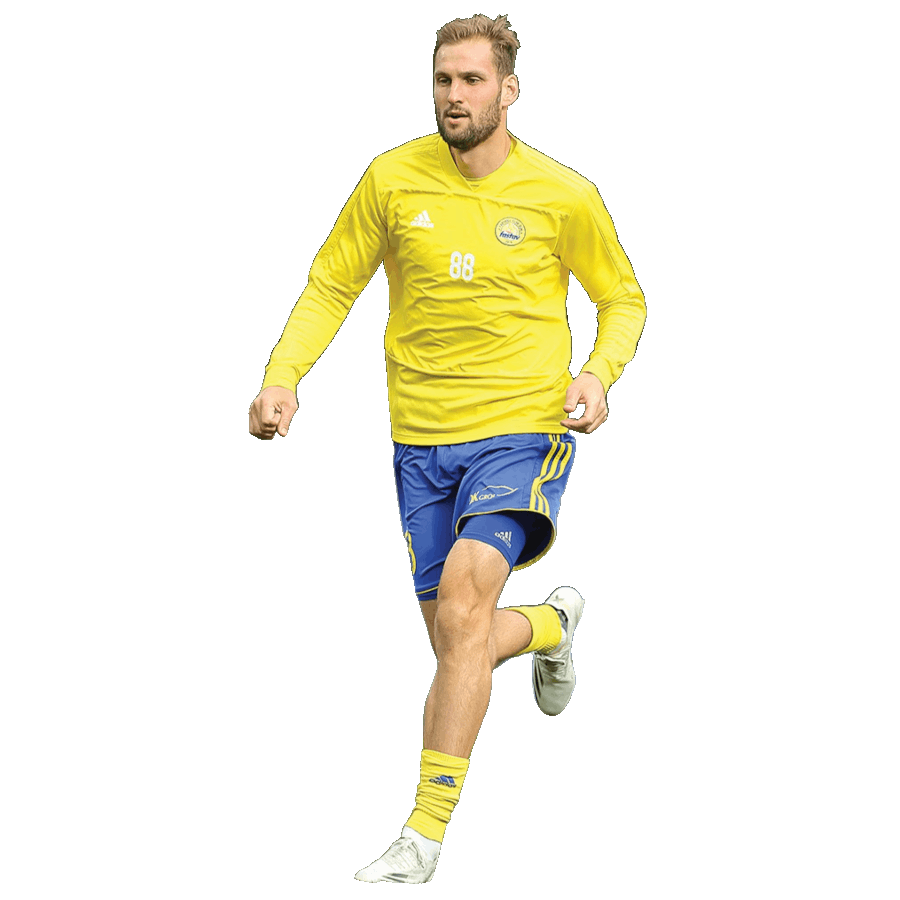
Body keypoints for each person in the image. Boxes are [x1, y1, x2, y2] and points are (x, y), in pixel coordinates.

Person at [248, 14, 646, 884]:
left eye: (471, 80)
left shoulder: (564, 193)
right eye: (443, 80)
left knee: (463, 611)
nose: (454, 96)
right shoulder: (391, 177)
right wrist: (283, 376)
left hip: (524, 427)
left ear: (508, 90)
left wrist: (596, 373)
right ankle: (551, 626)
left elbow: (622, 298)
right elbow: (332, 282)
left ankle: (422, 837)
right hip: (420, 440)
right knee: (455, 640)